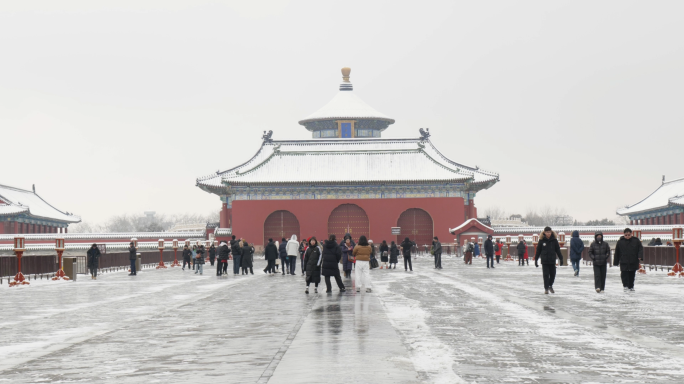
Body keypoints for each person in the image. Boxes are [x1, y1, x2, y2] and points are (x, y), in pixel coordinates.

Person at [534, 227, 564, 294]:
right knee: (546, 275)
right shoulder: (541, 241)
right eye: (547, 232)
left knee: (553, 274)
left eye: (549, 232)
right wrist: (536, 260)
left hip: (552, 260)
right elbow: (538, 251)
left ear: (551, 232)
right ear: (544, 232)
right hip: (544, 261)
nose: (548, 233)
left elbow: (558, 250)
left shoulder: (554, 240)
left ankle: (550, 285)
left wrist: (561, 258)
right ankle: (546, 288)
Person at [614, 228, 643, 292]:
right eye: (626, 235)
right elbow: (617, 252)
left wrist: (640, 256)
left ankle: (631, 286)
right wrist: (616, 262)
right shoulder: (620, 242)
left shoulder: (636, 241)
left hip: (633, 260)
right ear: (624, 235)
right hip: (623, 260)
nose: (627, 236)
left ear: (631, 234)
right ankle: (625, 285)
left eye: (629, 235)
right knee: (624, 274)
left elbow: (640, 249)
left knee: (632, 274)